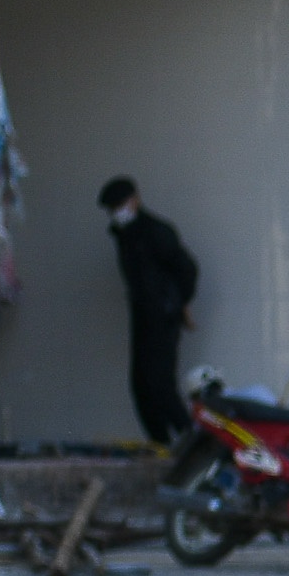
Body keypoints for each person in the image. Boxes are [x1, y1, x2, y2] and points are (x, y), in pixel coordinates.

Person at [100, 179, 202, 448]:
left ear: (135, 200)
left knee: (160, 384)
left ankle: (191, 439)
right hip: (143, 314)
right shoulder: (125, 234)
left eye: (120, 205)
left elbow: (185, 269)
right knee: (142, 386)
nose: (117, 212)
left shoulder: (155, 232)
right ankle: (161, 444)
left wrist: (179, 303)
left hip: (162, 314)